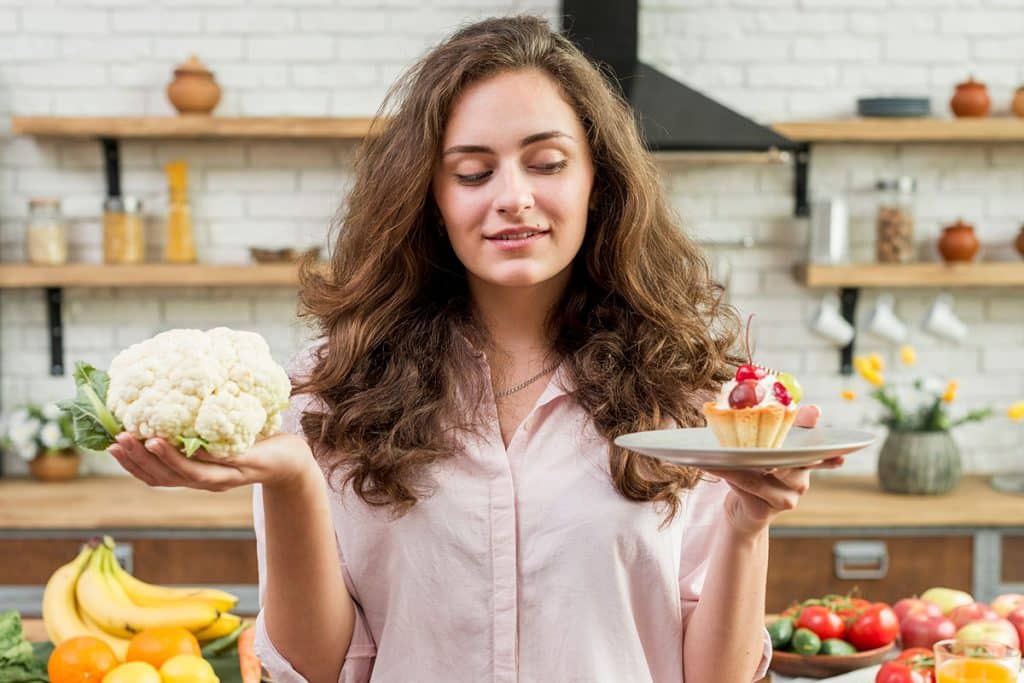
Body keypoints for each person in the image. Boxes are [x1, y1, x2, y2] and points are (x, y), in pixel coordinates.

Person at [107, 15, 839, 683]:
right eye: (473, 171)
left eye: (547, 163)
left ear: (598, 182)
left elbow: (715, 676)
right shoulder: (331, 390)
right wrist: (293, 479)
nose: (512, 196)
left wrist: (748, 521)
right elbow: (318, 669)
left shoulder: (686, 398)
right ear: (431, 196)